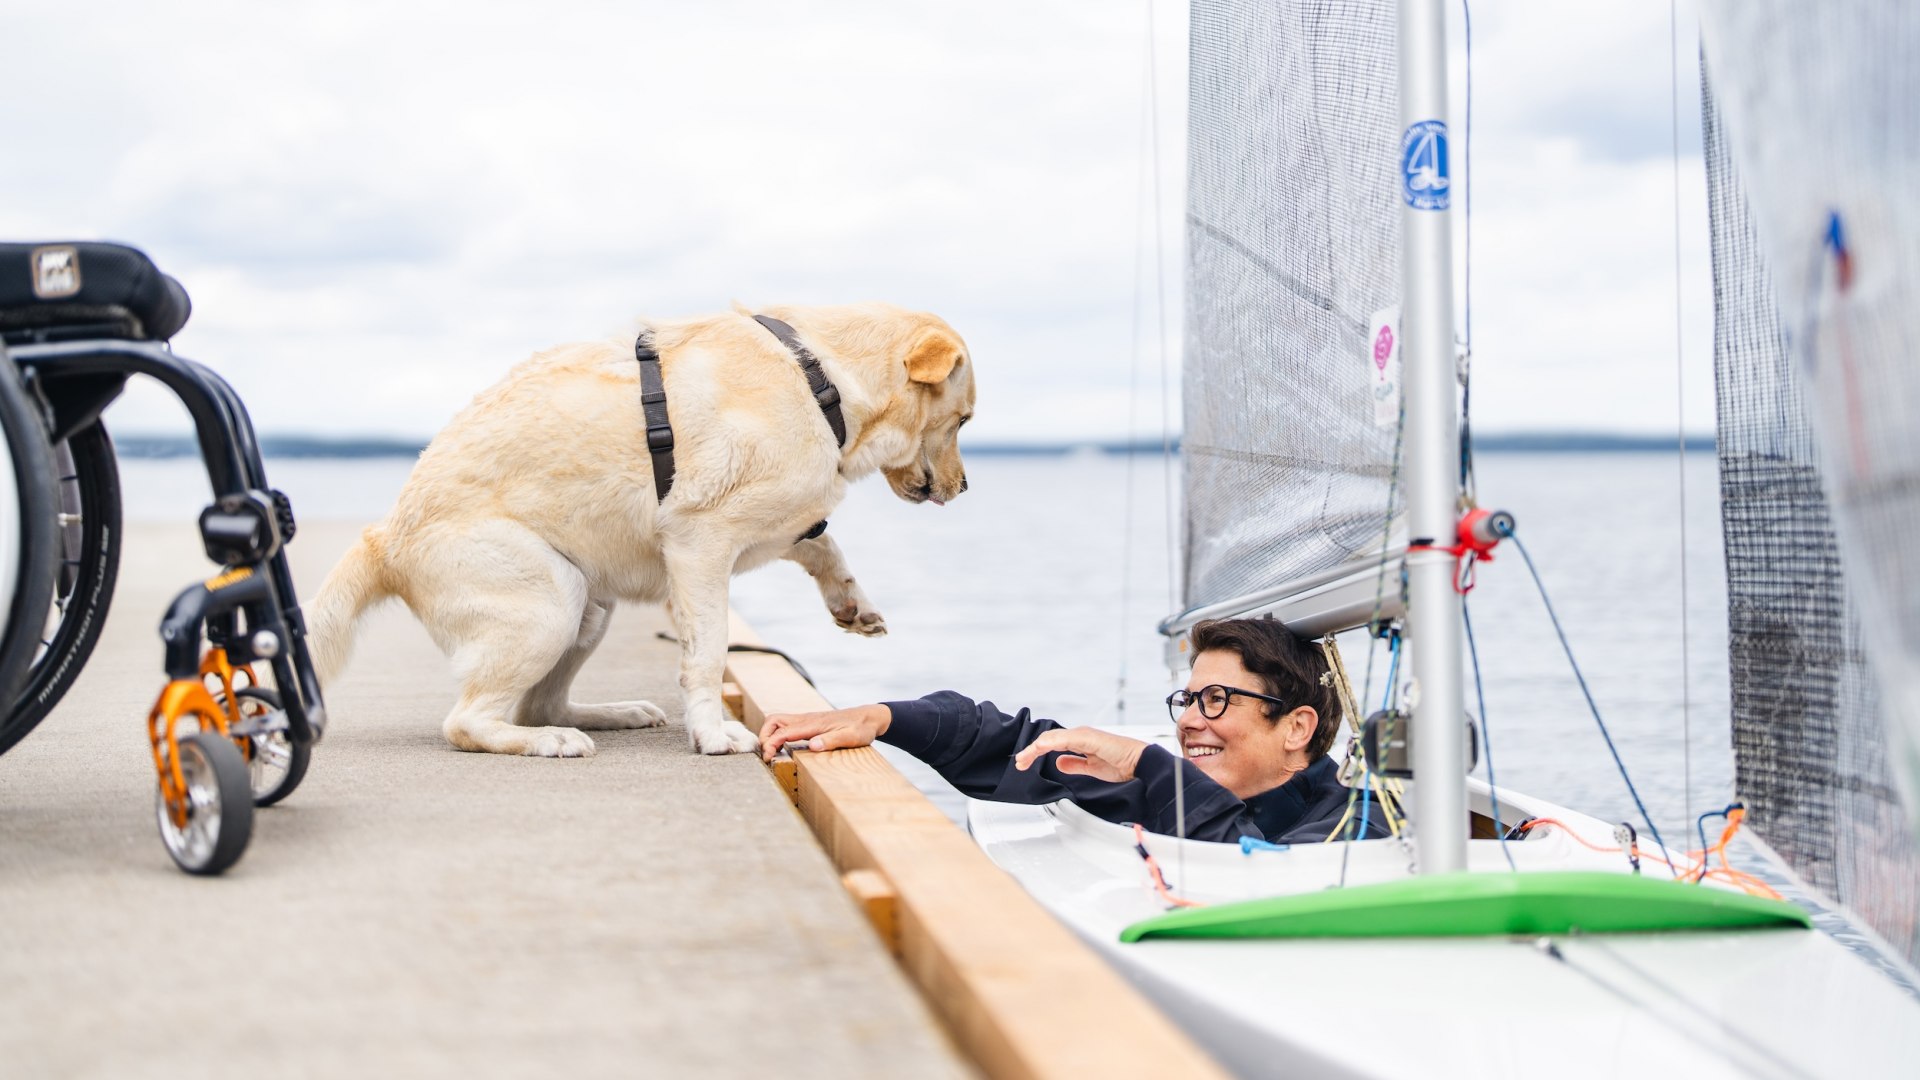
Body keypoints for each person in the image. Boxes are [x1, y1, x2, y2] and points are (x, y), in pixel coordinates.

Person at [757, 617, 1393, 844]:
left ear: (1297, 727)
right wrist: (885, 718)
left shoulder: (1358, 827)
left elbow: (1259, 872)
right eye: (1189, 698)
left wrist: (1150, 766)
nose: (1192, 720)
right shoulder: (1159, 782)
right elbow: (1013, 743)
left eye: (1219, 700)